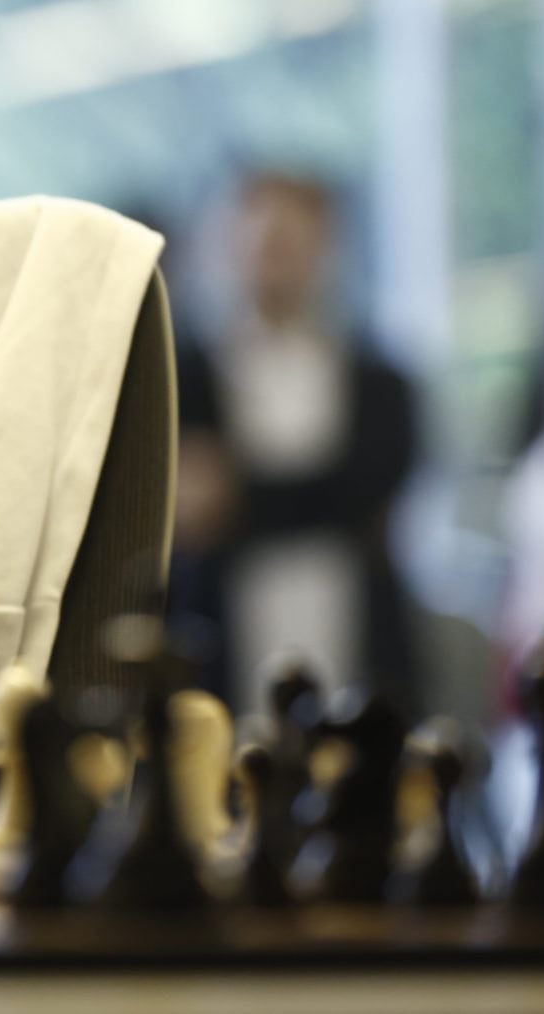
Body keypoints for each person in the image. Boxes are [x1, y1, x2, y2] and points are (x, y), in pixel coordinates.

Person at [167, 169, 420, 711]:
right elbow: (183, 510)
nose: (272, 254)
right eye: (260, 237)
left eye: (291, 239)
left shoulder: (378, 379)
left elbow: (369, 489)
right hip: (228, 631)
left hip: (350, 621)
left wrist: (238, 497)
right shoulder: (181, 375)